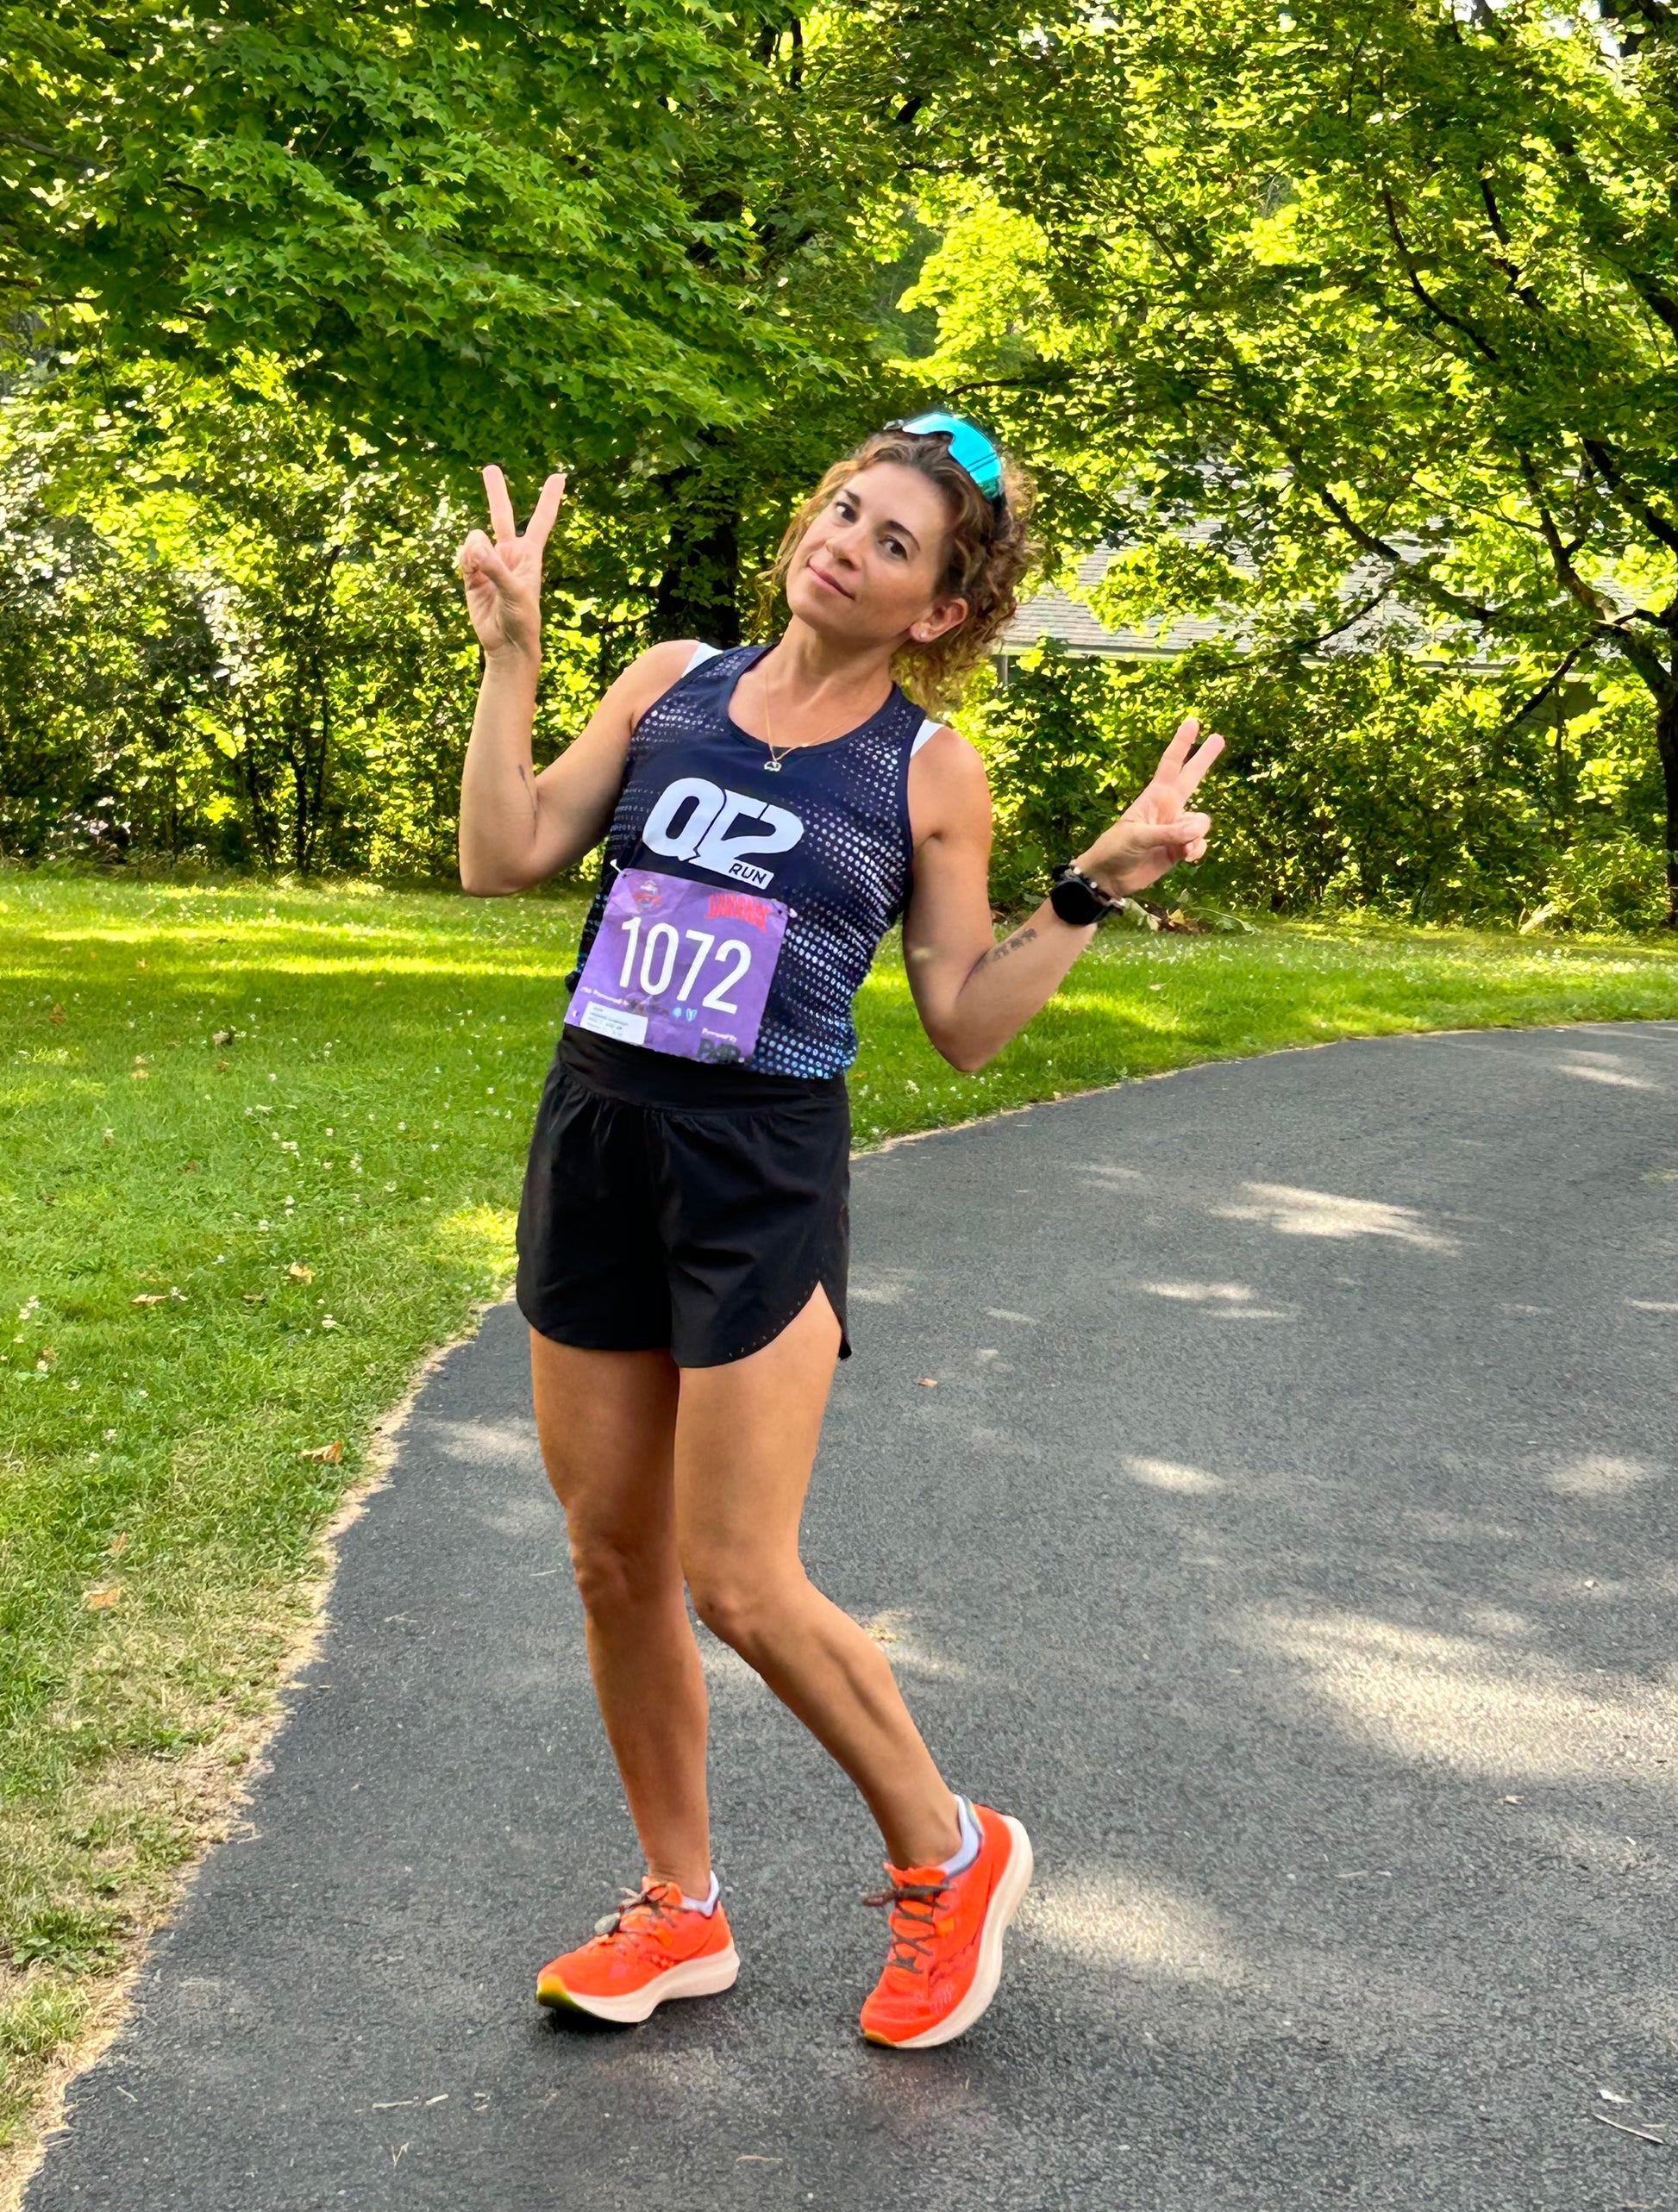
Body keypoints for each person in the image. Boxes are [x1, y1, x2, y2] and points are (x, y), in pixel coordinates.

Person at [456, 413, 1224, 2051]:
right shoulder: (668, 682)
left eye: (893, 543)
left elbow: (964, 1022)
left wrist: (1093, 884)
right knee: (610, 1559)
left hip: (757, 1175)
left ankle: (949, 1852)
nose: (845, 545)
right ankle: (679, 1907)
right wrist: (510, 655)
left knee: (736, 1576)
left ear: (938, 608)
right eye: (843, 512)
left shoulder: (926, 771)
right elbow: (501, 857)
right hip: (597, 1138)